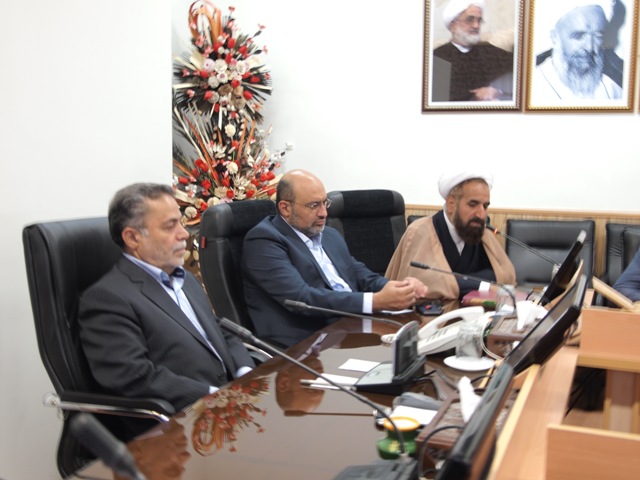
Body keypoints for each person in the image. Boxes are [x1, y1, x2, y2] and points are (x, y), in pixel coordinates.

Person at [79, 183, 254, 420]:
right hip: (183, 421)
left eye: (181, 223)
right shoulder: (107, 298)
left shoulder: (185, 279)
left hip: (232, 405)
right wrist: (216, 396)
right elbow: (134, 376)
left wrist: (245, 372)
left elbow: (220, 330)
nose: (184, 234)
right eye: (170, 226)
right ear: (133, 237)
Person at [242, 169, 429, 348]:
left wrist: (397, 289)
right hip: (308, 341)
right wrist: (375, 301)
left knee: (417, 348)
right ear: (285, 208)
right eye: (314, 205)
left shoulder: (329, 235)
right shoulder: (264, 240)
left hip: (352, 327)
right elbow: (301, 299)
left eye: (325, 203)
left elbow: (359, 274)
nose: (324, 213)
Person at [385, 172, 516, 312]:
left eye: (485, 206)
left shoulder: (482, 232)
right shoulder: (420, 231)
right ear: (451, 204)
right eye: (473, 204)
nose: (482, 214)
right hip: (429, 319)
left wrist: (455, 283)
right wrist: (483, 285)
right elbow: (425, 285)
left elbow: (504, 276)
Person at [531, 1, 623, 102]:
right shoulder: (532, 88)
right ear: (555, 38)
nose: (590, 47)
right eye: (578, 36)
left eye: (598, 36)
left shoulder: (615, 89)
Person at [433, 0, 513, 102]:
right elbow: (439, 99)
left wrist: (498, 91)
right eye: (470, 20)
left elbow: (519, 70)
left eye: (479, 20)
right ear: (453, 26)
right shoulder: (438, 57)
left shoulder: (489, 50)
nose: (476, 26)